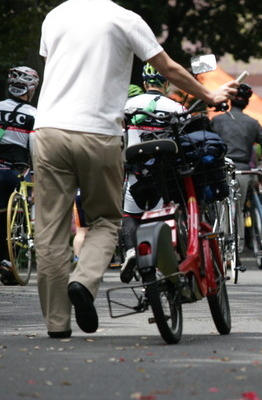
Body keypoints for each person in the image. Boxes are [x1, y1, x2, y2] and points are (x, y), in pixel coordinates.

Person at [33, 0, 237, 339]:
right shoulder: (125, 19)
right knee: (107, 221)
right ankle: (83, 281)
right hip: (98, 134)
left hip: (49, 132)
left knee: (50, 234)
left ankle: (57, 324)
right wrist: (209, 94)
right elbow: (168, 68)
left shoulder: (55, 16)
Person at [119, 63, 188, 284]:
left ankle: (130, 252)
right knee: (163, 220)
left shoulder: (127, 105)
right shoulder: (177, 108)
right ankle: (160, 264)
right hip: (164, 175)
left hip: (134, 172)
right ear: (166, 83)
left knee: (131, 216)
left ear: (144, 82)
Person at [211, 84, 262, 253]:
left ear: (230, 101)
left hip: (221, 170)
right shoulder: (253, 123)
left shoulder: (217, 120)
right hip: (244, 171)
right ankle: (238, 246)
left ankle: (220, 245)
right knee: (238, 209)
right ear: (246, 103)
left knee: (220, 208)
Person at [0, 66, 39, 283]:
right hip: (15, 171)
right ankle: (8, 261)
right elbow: (34, 149)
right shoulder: (34, 114)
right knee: (14, 218)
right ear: (31, 89)